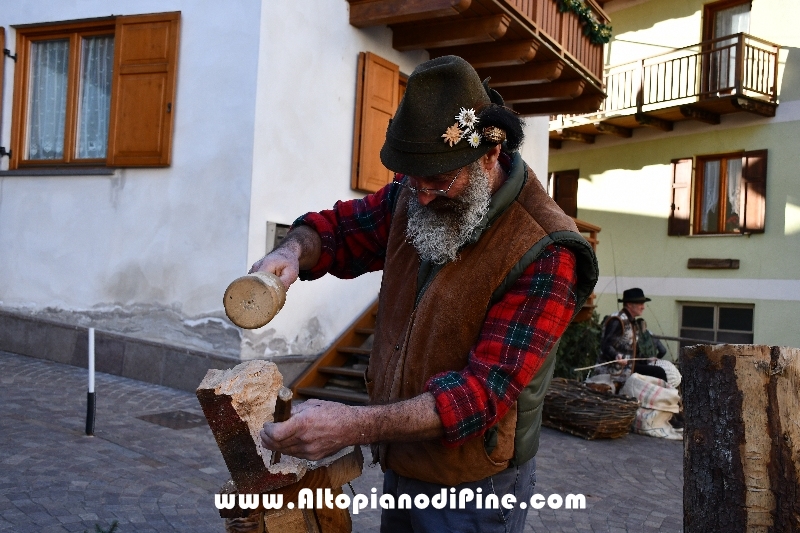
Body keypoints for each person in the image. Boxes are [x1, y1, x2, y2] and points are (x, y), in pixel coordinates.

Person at [252, 56, 598, 531]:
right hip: (404, 462)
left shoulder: (547, 250)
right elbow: (338, 231)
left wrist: (353, 424)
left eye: (438, 182)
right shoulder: (413, 194)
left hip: (477, 488)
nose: (422, 196)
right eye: (412, 181)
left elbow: (480, 394)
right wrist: (293, 251)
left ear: (489, 155)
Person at [598, 288, 670, 383]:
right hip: (614, 370)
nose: (643, 307)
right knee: (658, 372)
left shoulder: (631, 321)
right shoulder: (617, 320)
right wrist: (616, 356)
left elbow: (632, 351)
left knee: (658, 370)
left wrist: (646, 359)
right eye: (640, 304)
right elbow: (606, 345)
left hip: (628, 367)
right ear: (629, 305)